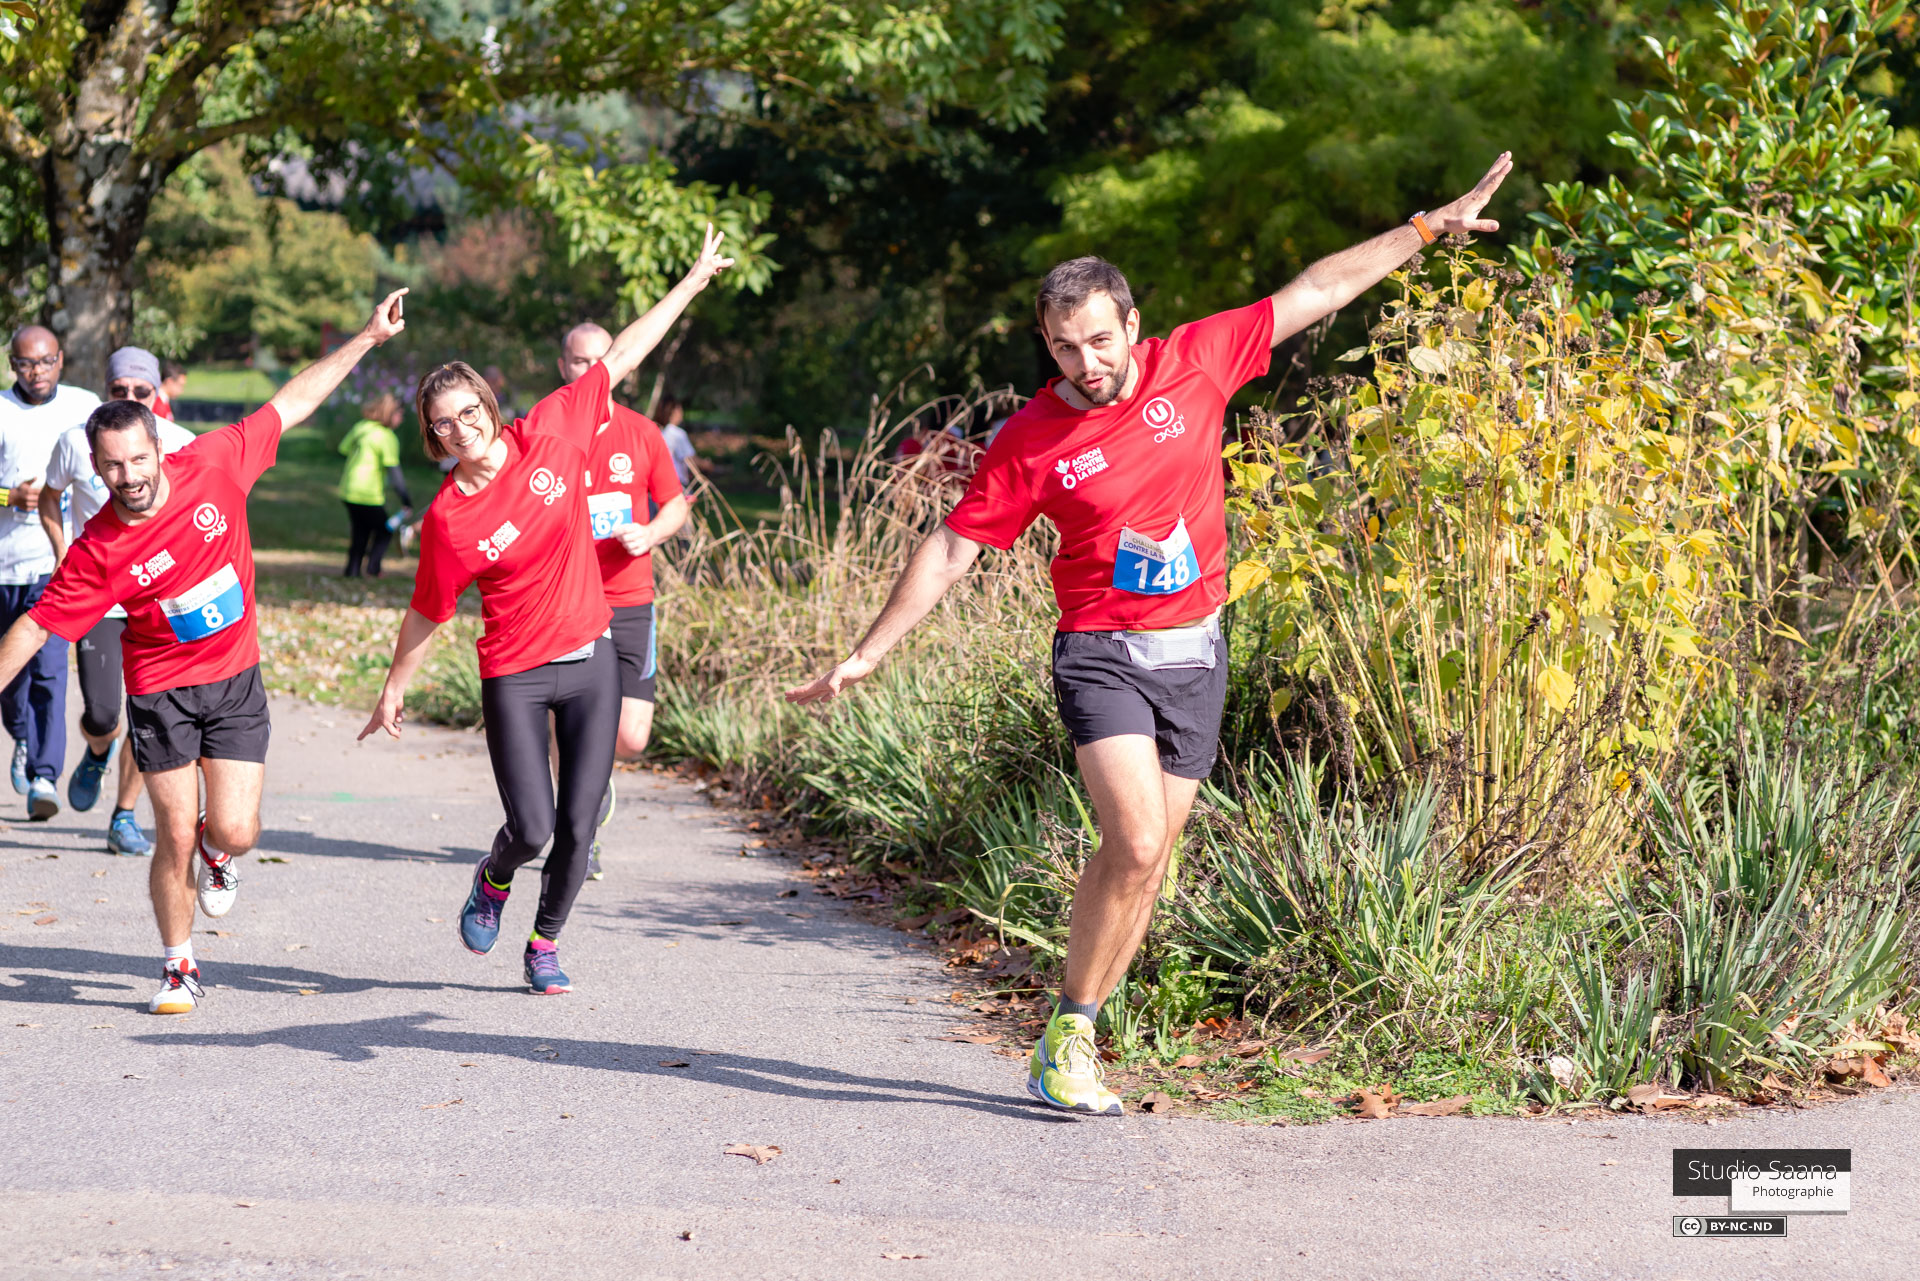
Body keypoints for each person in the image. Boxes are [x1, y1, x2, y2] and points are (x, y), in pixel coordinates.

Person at [787, 155, 1514, 1116]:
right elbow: (952, 549)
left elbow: (1318, 287)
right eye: (1062, 348)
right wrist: (869, 652)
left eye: (1097, 340)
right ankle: (1076, 1034)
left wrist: (1425, 229)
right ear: (1045, 348)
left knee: (1149, 862)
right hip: (1101, 652)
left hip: (1197, 652)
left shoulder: (1200, 359)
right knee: (1131, 841)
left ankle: (1067, 1030)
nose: (1085, 364)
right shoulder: (1031, 439)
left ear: (1132, 324)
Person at [0, 290, 410, 1016]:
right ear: (94, 466)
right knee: (172, 833)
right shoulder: (98, 548)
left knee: (235, 830)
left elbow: (293, 400)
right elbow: (36, 628)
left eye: (136, 460)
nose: (127, 477)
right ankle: (179, 965)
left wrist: (368, 338)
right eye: (110, 467)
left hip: (234, 680)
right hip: (160, 691)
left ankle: (221, 855)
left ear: (160, 446)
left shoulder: (214, 462)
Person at [361, 225, 733, 996]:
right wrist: (395, 683)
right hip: (517, 675)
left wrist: (694, 281)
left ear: (490, 407)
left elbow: (624, 352)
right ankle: (493, 877)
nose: (461, 430)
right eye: (443, 424)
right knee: (531, 826)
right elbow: (429, 610)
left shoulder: (552, 431)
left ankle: (544, 942)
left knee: (581, 821)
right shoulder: (448, 518)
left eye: (469, 412)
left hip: (592, 658)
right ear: (431, 436)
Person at [38, 346, 201, 855]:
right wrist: (64, 553)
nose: (131, 397)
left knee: (149, 713)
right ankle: (97, 750)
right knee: (105, 713)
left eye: (142, 391)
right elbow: (49, 495)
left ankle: (124, 816)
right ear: (105, 391)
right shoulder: (75, 441)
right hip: (104, 598)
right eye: (119, 390)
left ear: (159, 394)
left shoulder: (181, 443)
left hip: (163, 599)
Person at [557, 323, 692, 877]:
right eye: (578, 361)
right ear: (562, 365)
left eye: (600, 361)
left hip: (631, 597)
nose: (589, 372)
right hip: (567, 602)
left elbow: (677, 505)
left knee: (631, 738)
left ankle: (592, 776)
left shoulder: (641, 433)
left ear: (619, 364)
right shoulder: (551, 430)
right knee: (570, 722)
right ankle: (578, 831)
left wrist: (651, 533)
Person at [0, 325, 98, 820]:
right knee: (10, 681)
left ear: (60, 360)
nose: (34, 372)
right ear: (12, 364)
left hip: (54, 562)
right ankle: (21, 736)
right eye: (23, 364)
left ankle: (45, 776)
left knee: (50, 670)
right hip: (2, 564)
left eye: (44, 362)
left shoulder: (84, 406)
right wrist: (7, 497)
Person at [337, 393, 412, 578]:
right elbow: (394, 472)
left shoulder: (361, 427)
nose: (401, 418)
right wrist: (405, 498)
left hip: (348, 489)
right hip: (367, 492)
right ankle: (373, 568)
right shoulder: (386, 437)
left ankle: (352, 570)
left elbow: (343, 449)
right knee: (384, 531)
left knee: (360, 532)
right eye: (399, 414)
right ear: (390, 414)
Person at [655, 395, 701, 489]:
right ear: (675, 411)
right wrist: (707, 464)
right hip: (676, 484)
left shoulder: (657, 432)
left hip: (659, 483)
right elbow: (692, 460)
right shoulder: (678, 434)